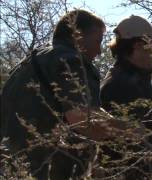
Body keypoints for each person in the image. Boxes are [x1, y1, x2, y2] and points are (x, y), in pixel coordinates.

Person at [0, 9, 109, 179]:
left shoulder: (29, 62)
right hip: (43, 168)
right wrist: (133, 132)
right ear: (78, 36)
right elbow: (83, 121)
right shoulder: (71, 61)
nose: (99, 51)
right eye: (98, 41)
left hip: (11, 167)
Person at [100, 15, 152, 179]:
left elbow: (144, 127)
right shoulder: (121, 84)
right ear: (139, 45)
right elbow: (135, 141)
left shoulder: (133, 78)